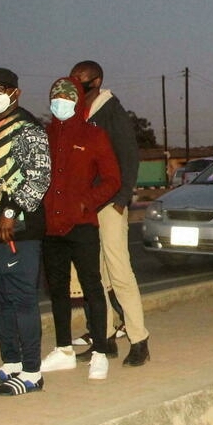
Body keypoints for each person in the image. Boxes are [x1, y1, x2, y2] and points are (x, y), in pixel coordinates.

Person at [0, 68, 51, 396]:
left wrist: (9, 211)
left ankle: (32, 372)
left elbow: (39, 176)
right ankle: (11, 363)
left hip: (16, 232)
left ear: (15, 92)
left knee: (21, 302)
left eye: (0, 88)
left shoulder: (27, 127)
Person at [69, 61, 150, 366]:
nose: (77, 84)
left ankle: (139, 338)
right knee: (95, 276)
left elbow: (128, 155)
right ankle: (104, 339)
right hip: (86, 207)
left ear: (98, 81)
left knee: (119, 272)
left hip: (110, 203)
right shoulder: (78, 114)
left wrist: (121, 198)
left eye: (82, 80)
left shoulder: (112, 112)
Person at [40, 77, 121, 380]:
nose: (60, 100)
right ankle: (63, 349)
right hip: (50, 227)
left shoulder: (93, 135)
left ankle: (100, 350)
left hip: (82, 225)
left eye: (66, 96)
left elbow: (113, 179)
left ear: (77, 101)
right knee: (58, 291)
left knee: (92, 288)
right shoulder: (43, 135)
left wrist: (87, 202)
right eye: (55, 95)